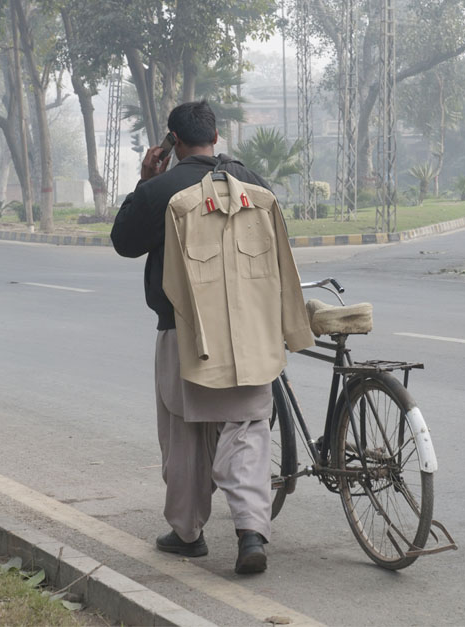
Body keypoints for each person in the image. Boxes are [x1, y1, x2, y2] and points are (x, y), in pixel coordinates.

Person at [111, 100, 307, 574]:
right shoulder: (255, 183)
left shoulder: (163, 190)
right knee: (247, 430)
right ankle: (250, 533)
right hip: (251, 336)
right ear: (216, 138)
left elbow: (125, 242)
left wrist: (145, 180)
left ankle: (187, 532)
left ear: (172, 144)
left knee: (185, 434)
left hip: (183, 334)